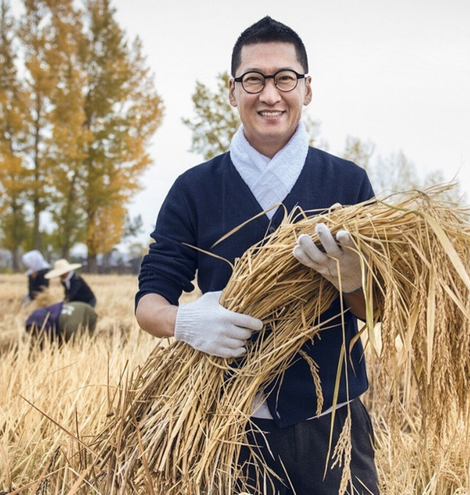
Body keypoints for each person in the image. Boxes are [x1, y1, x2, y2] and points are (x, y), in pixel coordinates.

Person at [136, 16, 378, 494]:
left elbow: (378, 310)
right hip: (224, 429)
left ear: (306, 89)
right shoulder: (194, 190)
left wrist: (352, 278)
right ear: (232, 91)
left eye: (285, 78)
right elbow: (148, 304)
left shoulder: (348, 185)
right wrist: (186, 323)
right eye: (254, 79)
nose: (270, 95)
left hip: (331, 425)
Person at [25, 300, 98, 343]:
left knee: (87, 339)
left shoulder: (70, 329)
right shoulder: (50, 317)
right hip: (73, 308)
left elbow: (76, 346)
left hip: (87, 312)